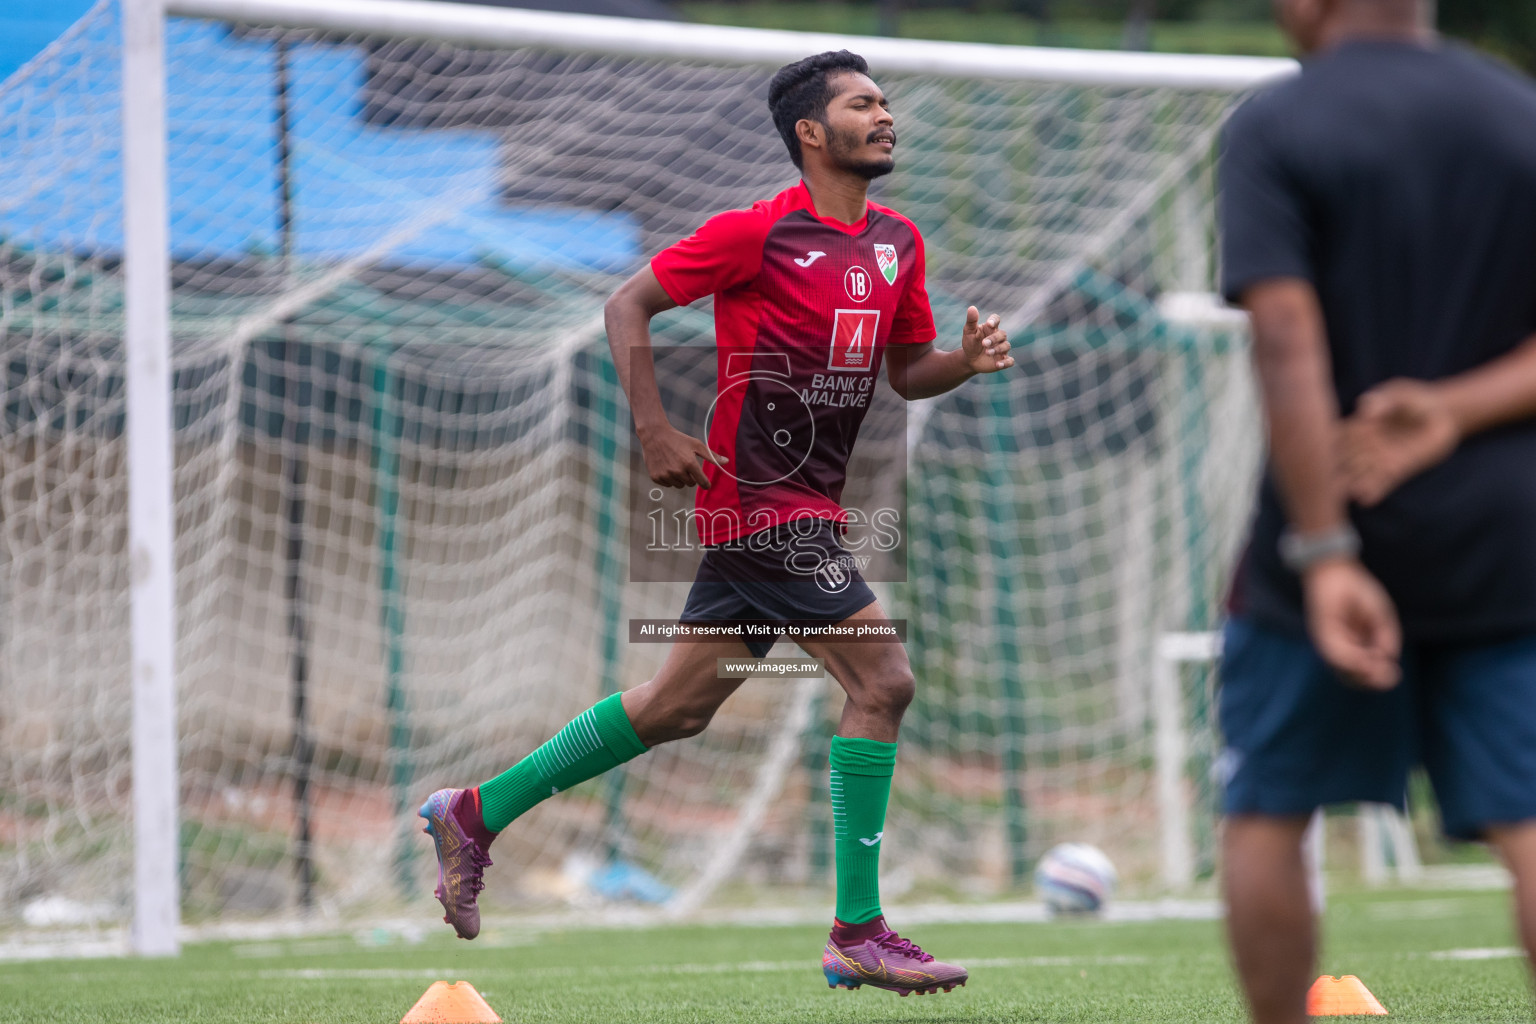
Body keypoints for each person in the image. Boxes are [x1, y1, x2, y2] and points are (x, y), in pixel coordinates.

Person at [417, 50, 1014, 997]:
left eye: (886, 102)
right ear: (812, 133)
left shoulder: (899, 240)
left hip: (804, 504)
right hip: (759, 505)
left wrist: (964, 362)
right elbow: (629, 303)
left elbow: (908, 371)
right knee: (884, 679)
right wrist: (654, 427)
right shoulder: (756, 234)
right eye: (863, 104)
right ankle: (858, 929)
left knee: (675, 706)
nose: (885, 115)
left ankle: (474, 812)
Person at [1217, 0, 1536, 1020]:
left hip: (1323, 528)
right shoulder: (1519, 115)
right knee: (1530, 820)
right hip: (1505, 535)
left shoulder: (1276, 123)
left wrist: (1326, 549)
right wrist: (1448, 409)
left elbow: (1288, 342)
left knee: (1269, 809)